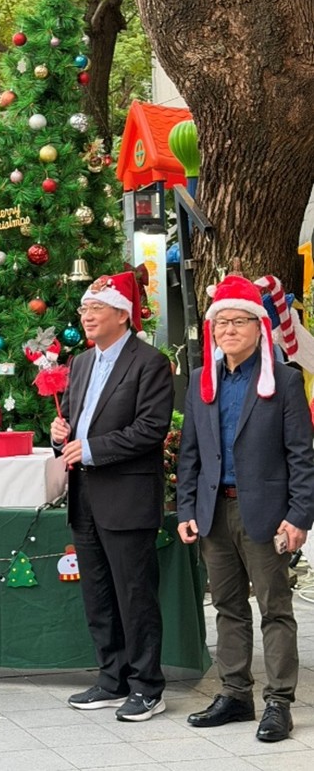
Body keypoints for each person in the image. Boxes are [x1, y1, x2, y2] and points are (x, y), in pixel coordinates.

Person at [177, 274, 314, 743]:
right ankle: (235, 694)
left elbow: (302, 455)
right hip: (214, 511)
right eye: (222, 322)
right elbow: (190, 454)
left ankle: (279, 702)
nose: (229, 330)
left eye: (239, 321)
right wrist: (185, 511)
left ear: (258, 326)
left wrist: (299, 518)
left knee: (275, 608)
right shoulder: (201, 381)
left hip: (266, 514)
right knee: (228, 608)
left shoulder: (285, 381)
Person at [50, 271, 174, 722]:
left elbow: (151, 429)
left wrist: (94, 447)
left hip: (127, 496)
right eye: (84, 309)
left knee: (134, 594)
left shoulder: (150, 362)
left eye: (95, 309)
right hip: (84, 496)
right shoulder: (82, 364)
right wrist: (60, 435)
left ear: (123, 314)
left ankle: (147, 686)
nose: (86, 317)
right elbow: (77, 427)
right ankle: (111, 677)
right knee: (98, 594)